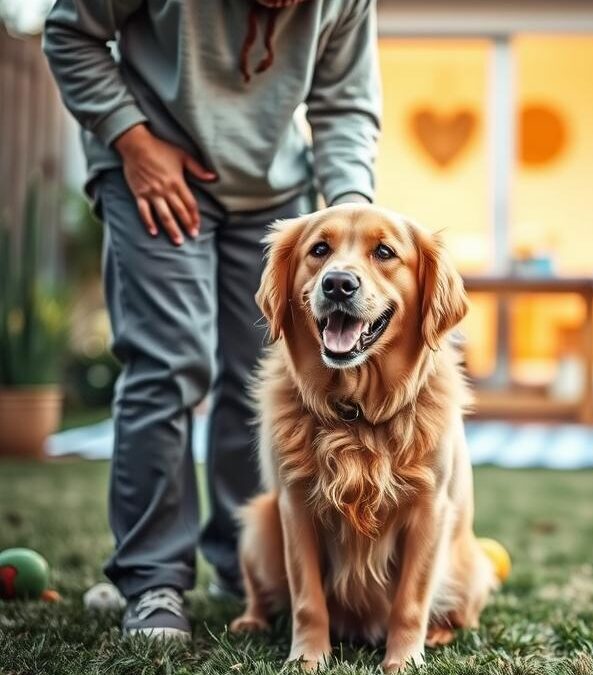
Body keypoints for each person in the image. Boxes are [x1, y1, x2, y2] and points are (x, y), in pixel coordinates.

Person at [43, 0, 381, 640]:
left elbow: (345, 104)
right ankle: (152, 579)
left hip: (275, 196)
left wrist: (349, 227)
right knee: (170, 365)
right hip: (154, 169)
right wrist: (132, 139)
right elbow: (70, 33)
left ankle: (242, 565)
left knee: (264, 373)